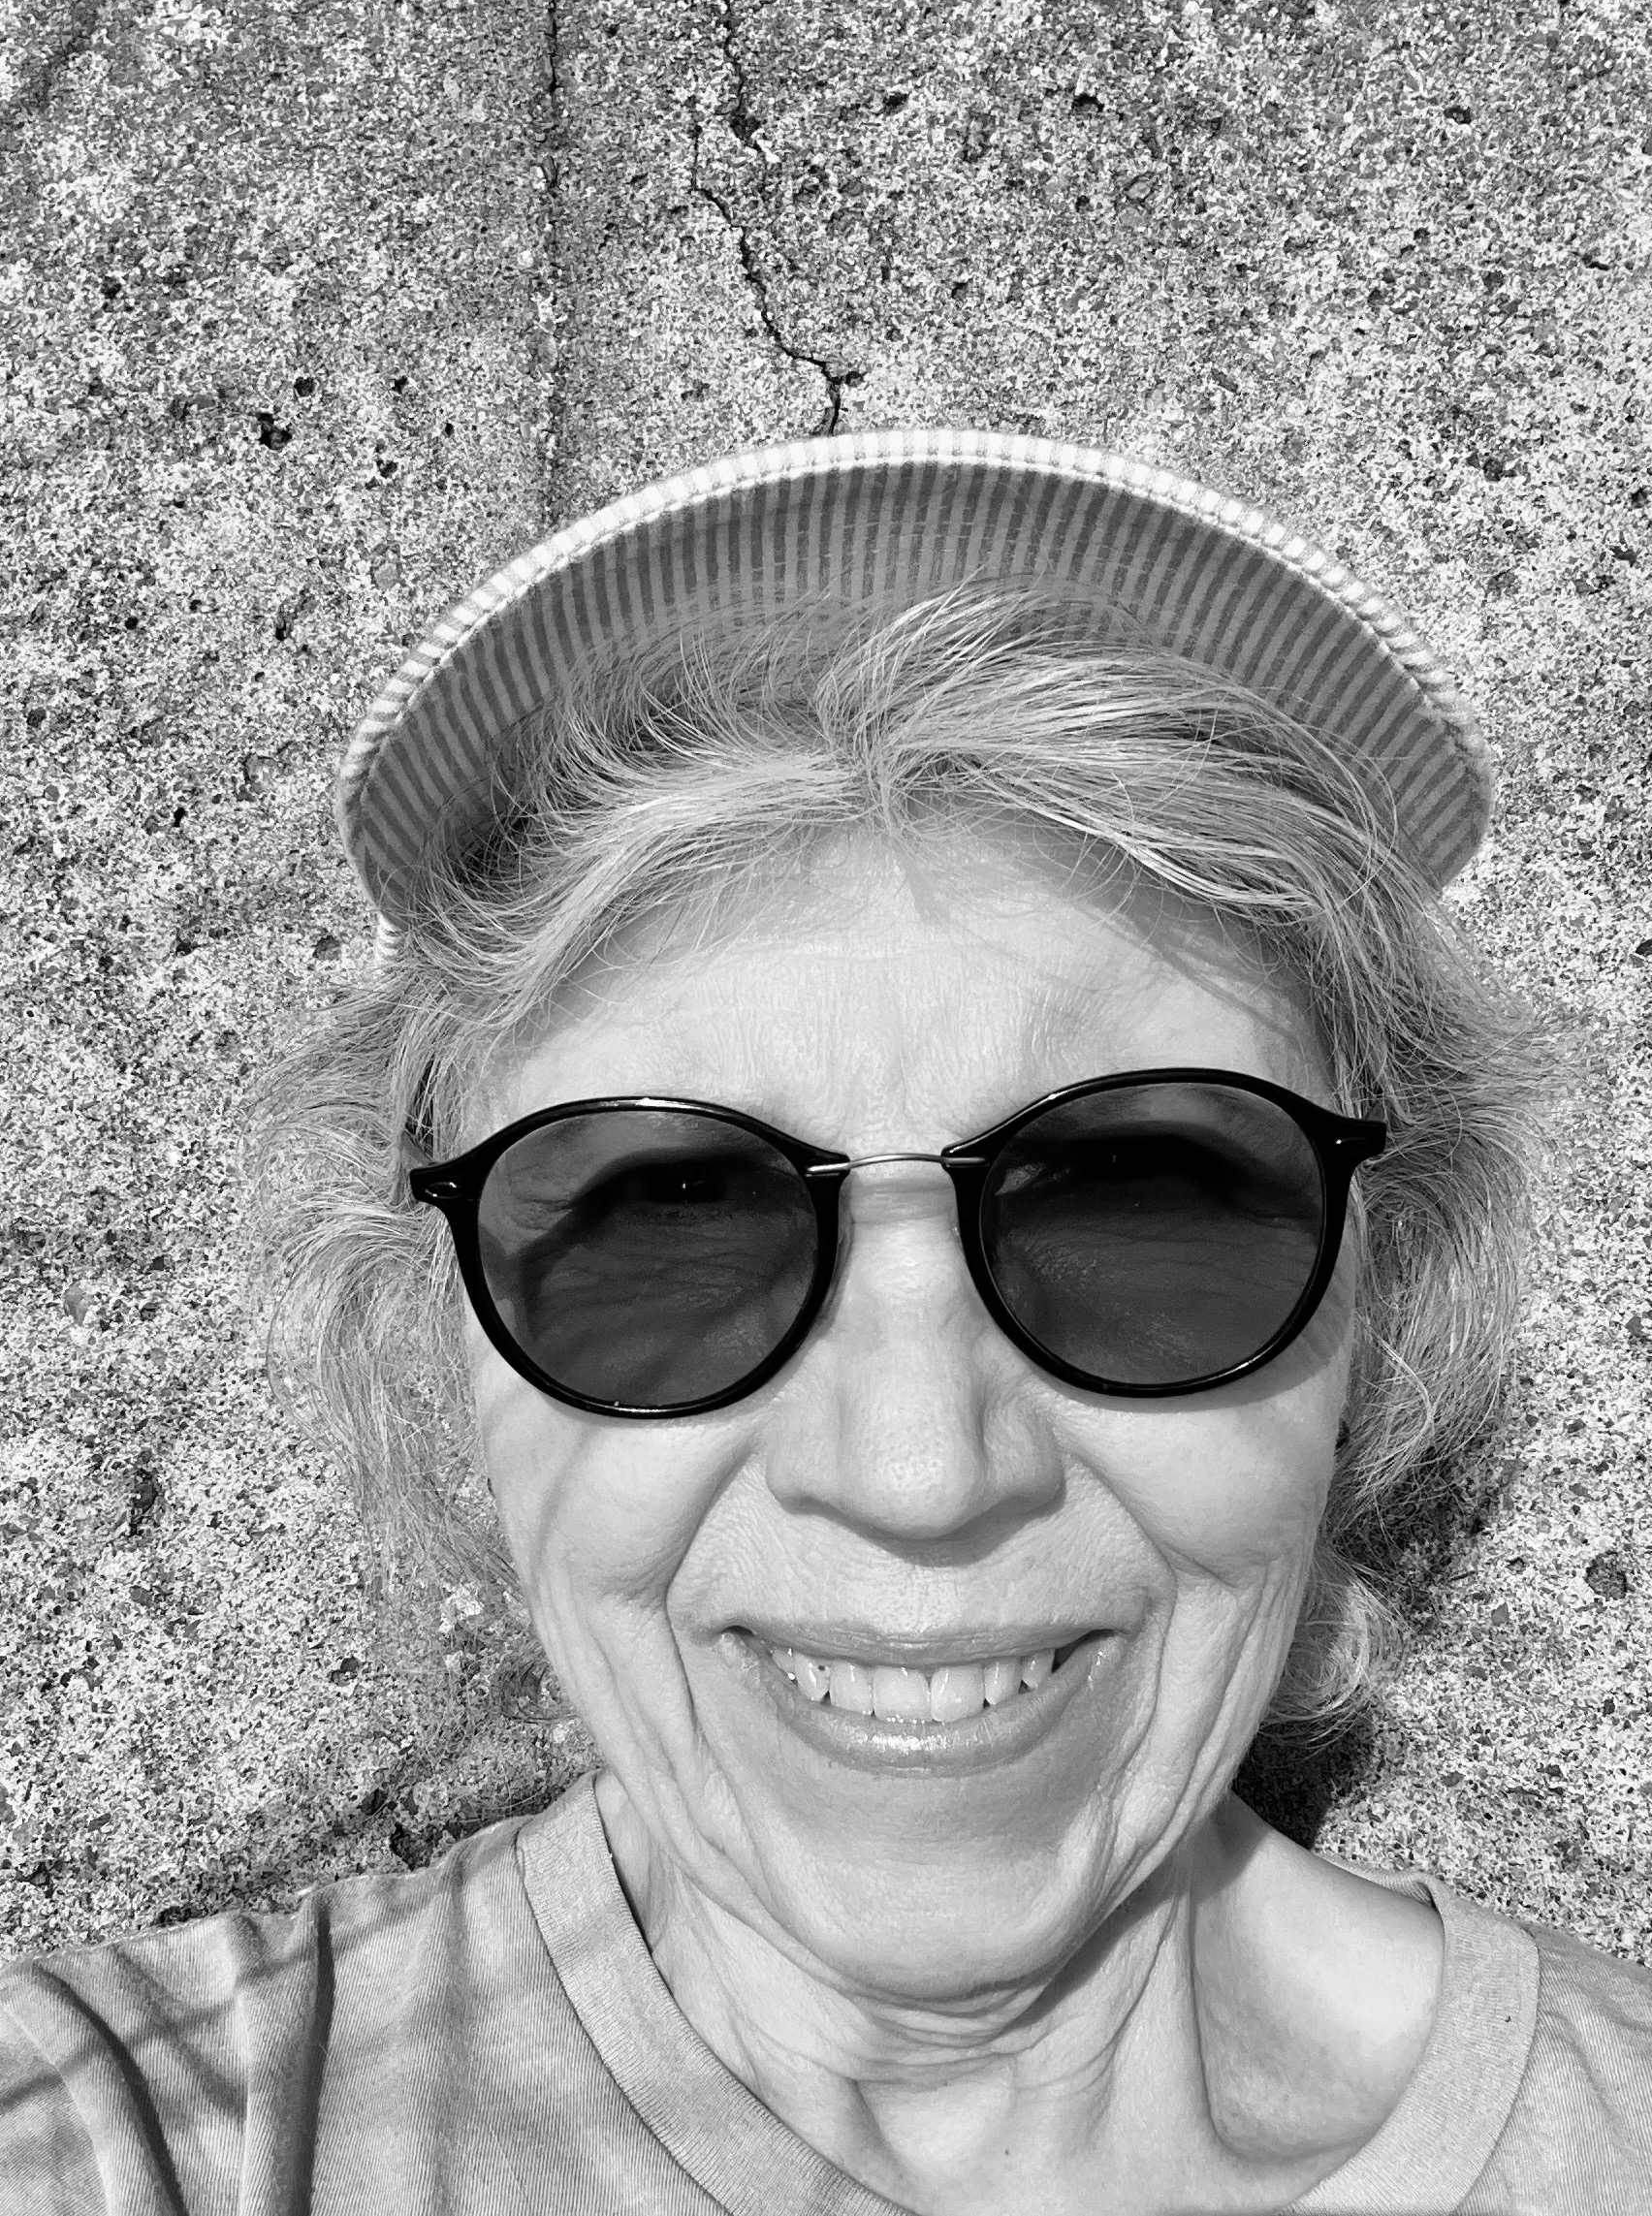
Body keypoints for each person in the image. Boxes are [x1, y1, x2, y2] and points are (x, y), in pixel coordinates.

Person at [3, 431, 1648, 2214]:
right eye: (671, 1215)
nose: (918, 1470)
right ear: (441, 1336)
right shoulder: (139, 2131)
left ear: (1376, 1301)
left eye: (1136, 1202)